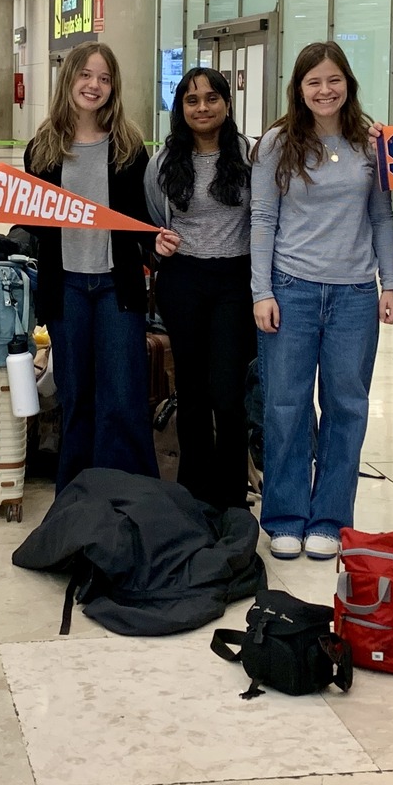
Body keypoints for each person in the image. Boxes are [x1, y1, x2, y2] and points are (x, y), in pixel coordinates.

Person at [250, 42, 393, 562]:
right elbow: (263, 220)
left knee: (346, 407)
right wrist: (261, 291)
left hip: (356, 295)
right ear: (299, 89)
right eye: (313, 82)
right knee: (286, 405)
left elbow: (382, 218)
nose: (324, 90)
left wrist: (390, 283)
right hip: (291, 288)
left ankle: (331, 517)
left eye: (333, 80)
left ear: (348, 84)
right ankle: (286, 516)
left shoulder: (371, 142)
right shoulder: (277, 143)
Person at [25, 41, 156, 489]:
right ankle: (76, 495)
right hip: (67, 289)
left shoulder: (129, 147)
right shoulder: (42, 148)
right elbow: (34, 224)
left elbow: (140, 219)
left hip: (116, 287)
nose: (94, 85)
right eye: (86, 75)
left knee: (123, 396)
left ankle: (126, 492)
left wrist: (160, 244)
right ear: (69, 80)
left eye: (104, 78)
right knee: (76, 395)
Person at [145, 66, 256, 513]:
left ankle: (232, 494)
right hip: (183, 281)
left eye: (212, 98)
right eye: (192, 100)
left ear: (227, 104)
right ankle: (194, 491)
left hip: (235, 280)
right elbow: (154, 219)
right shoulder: (163, 161)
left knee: (228, 393)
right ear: (181, 108)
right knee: (191, 390)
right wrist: (157, 243)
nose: (203, 107)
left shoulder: (250, 156)